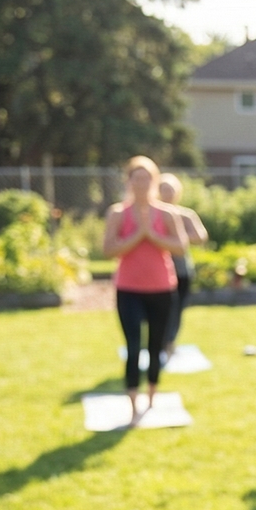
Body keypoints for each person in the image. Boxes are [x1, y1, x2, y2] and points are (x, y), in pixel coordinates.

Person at [103, 156, 189, 424]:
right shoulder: (118, 213)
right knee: (133, 345)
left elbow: (181, 246)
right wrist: (137, 235)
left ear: (154, 181)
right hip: (129, 289)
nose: (141, 183)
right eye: (136, 178)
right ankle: (132, 402)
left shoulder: (166, 213)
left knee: (156, 346)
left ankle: (152, 396)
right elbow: (108, 250)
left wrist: (152, 235)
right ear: (128, 181)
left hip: (161, 288)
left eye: (146, 178)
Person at [156, 172, 209, 363]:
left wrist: (178, 237)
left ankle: (170, 341)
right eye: (163, 189)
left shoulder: (186, 214)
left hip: (181, 270)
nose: (167, 193)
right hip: (157, 271)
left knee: (177, 308)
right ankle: (159, 341)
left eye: (170, 189)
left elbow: (201, 236)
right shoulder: (153, 214)